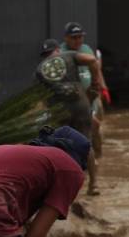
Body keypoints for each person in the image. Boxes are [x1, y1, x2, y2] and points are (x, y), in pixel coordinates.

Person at [34, 39, 105, 193]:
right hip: (80, 105)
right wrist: (95, 84)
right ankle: (93, 185)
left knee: (61, 146)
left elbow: (42, 97)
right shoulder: (69, 56)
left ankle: (66, 186)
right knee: (85, 142)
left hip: (58, 110)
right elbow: (92, 60)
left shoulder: (39, 70)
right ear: (58, 50)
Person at [60, 22, 107, 193]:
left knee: (95, 130)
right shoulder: (63, 54)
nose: (78, 40)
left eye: (80, 37)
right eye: (74, 37)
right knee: (86, 134)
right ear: (66, 38)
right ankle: (90, 178)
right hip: (76, 102)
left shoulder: (86, 49)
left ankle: (98, 162)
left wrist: (101, 86)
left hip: (92, 97)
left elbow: (96, 66)